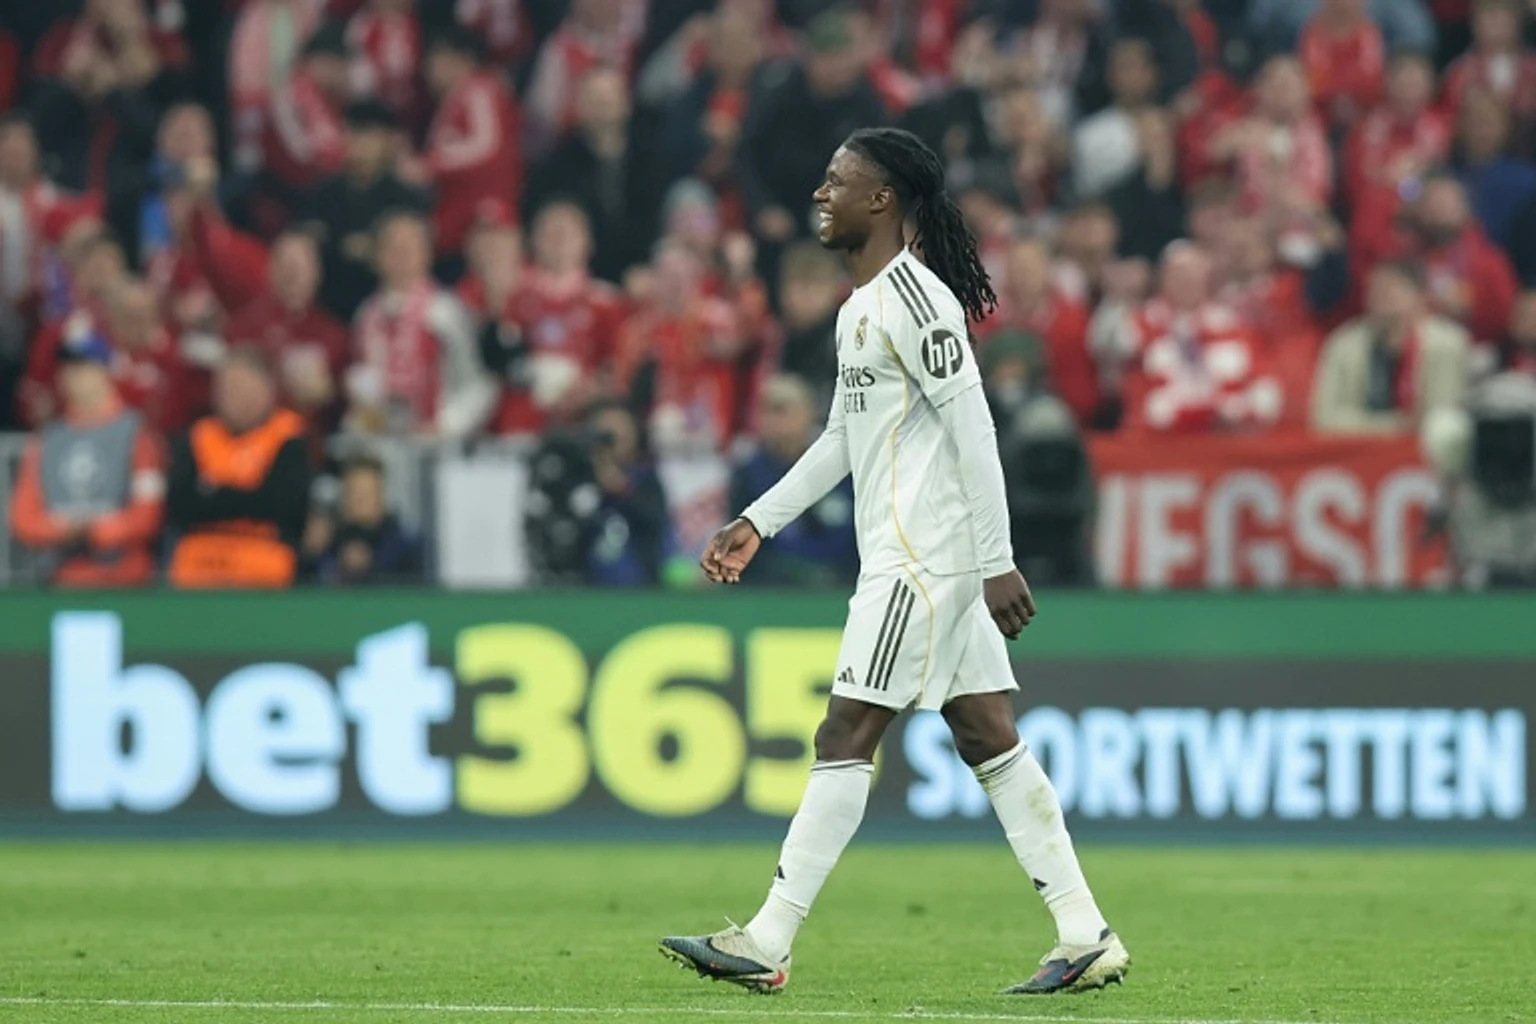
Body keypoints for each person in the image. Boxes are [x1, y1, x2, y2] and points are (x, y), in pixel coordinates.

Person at [659, 127, 1128, 995]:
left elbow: (975, 427)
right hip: (926, 557)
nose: (820, 194)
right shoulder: (861, 308)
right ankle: (1083, 932)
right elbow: (844, 436)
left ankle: (767, 939)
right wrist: (759, 520)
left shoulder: (917, 299)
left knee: (845, 732)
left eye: (837, 181)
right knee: (987, 734)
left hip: (922, 560)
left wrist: (997, 559)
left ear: (881, 200)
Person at [9, 329, 164, 587]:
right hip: (60, 576)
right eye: (67, 368)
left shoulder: (137, 435)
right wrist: (62, 529)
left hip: (124, 578)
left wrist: (102, 529)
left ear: (105, 371)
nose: (73, 376)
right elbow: (22, 516)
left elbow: (148, 511)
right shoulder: (46, 441)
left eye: (83, 366)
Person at [165, 346, 310, 588]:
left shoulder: (288, 436)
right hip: (198, 564)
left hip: (264, 565)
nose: (235, 399)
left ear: (266, 390)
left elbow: (284, 506)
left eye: (243, 389)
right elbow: (180, 505)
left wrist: (214, 492)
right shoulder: (199, 436)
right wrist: (250, 494)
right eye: (228, 390)